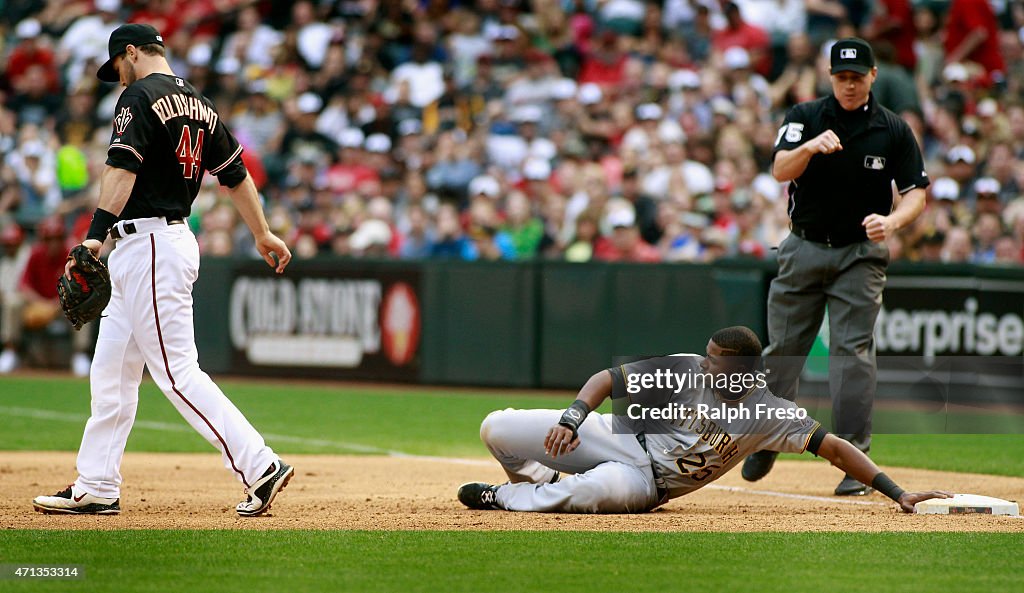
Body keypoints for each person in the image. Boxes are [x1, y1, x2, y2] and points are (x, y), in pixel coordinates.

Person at [32, 24, 294, 517]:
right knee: (111, 371)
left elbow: (120, 170)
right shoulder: (200, 103)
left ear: (132, 52)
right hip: (159, 243)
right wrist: (261, 232)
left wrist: (94, 234)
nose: (119, 77)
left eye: (118, 66)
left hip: (149, 245)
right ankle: (97, 485)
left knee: (176, 373)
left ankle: (259, 464)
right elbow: (235, 174)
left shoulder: (138, 96)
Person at [457, 326, 951, 513]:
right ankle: (534, 478)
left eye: (717, 360)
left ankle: (503, 497)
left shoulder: (771, 415)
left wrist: (896, 491)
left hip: (647, 483)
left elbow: (837, 449)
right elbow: (607, 379)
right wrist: (572, 418)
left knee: (588, 494)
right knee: (496, 427)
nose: (706, 363)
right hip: (620, 438)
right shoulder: (686, 367)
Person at [741, 38, 929, 495]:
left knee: (852, 357)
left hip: (860, 254)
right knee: (783, 352)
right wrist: (809, 148)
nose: (849, 84)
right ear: (830, 77)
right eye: (842, 77)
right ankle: (769, 433)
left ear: (873, 76)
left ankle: (855, 463)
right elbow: (780, 169)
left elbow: (917, 192)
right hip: (803, 247)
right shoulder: (805, 117)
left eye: (857, 77)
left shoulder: (893, 129)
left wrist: (893, 220)